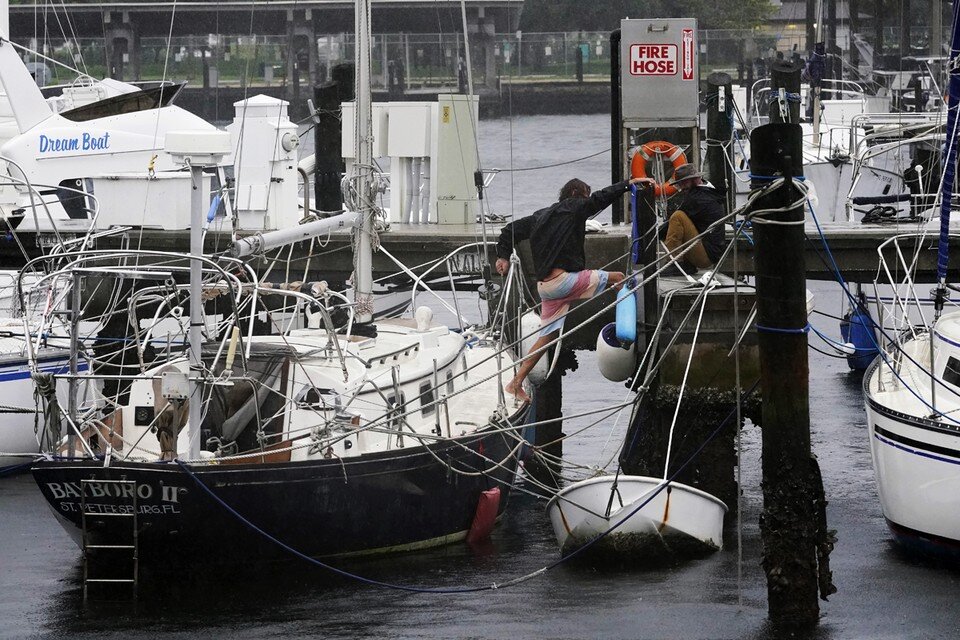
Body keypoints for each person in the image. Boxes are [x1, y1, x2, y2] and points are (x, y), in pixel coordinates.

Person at [494, 176, 647, 402]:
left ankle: (515, 383)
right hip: (563, 283)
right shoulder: (575, 207)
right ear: (578, 194)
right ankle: (629, 331)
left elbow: (509, 230)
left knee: (548, 337)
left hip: (546, 288)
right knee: (619, 277)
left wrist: (503, 256)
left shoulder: (539, 216)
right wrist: (627, 184)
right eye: (585, 196)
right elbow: (599, 199)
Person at [662, 163, 726, 273]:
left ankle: (675, 263)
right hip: (713, 252)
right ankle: (687, 265)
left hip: (706, 255)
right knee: (682, 218)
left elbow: (672, 224)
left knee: (677, 217)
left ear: (696, 179)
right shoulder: (709, 190)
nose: (681, 187)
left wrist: (656, 234)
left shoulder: (696, 197)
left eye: (684, 182)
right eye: (680, 184)